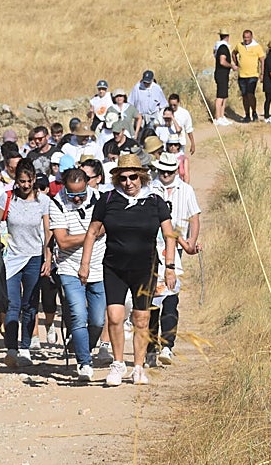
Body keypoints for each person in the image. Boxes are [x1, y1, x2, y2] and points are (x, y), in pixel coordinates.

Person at [78, 154, 177, 387]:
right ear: (117, 179)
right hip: (114, 267)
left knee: (141, 318)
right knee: (114, 316)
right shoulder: (108, 200)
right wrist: (85, 264)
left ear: (141, 177)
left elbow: (169, 235)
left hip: (145, 268)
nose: (128, 182)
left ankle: (139, 367)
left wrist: (170, 267)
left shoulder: (155, 201)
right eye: (123, 178)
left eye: (133, 177)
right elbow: (92, 232)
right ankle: (118, 363)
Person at [50, 167, 105, 382]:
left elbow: (107, 227)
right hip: (69, 267)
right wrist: (92, 234)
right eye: (72, 194)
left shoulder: (101, 199)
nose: (77, 198)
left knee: (98, 320)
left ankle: (82, 345)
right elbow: (63, 241)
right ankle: (84, 362)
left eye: (81, 193)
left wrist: (90, 234)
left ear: (88, 185)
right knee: (78, 314)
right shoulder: (56, 203)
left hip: (98, 267)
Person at [150, 152, 202, 366]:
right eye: (162, 171)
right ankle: (150, 347)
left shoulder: (186, 189)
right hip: (151, 250)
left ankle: (167, 345)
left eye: (169, 171)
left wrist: (190, 242)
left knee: (171, 300)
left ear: (175, 171)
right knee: (152, 301)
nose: (165, 175)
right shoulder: (150, 189)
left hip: (176, 251)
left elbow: (194, 217)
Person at [0, 160, 51, 367]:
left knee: (30, 305)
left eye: (29, 181)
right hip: (11, 257)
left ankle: (25, 347)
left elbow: (47, 231)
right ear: (16, 180)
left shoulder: (43, 201)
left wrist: (48, 257)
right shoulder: (7, 199)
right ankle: (11, 348)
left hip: (34, 257)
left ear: (34, 180)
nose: (26, 185)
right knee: (12, 304)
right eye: (22, 181)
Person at [232, 29, 266, 123]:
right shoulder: (239, 45)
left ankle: (254, 112)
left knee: (250, 94)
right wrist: (236, 63)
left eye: (248, 37)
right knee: (244, 95)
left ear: (251, 37)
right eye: (244, 37)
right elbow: (234, 53)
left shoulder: (257, 46)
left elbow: (262, 60)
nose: (246, 39)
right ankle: (247, 114)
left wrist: (262, 73)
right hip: (242, 75)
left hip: (253, 75)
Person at [213, 32, 234, 125]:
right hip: (221, 74)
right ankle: (217, 117)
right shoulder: (223, 47)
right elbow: (222, 61)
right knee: (220, 96)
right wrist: (231, 66)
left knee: (224, 96)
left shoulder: (219, 46)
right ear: (228, 36)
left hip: (223, 74)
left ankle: (221, 115)